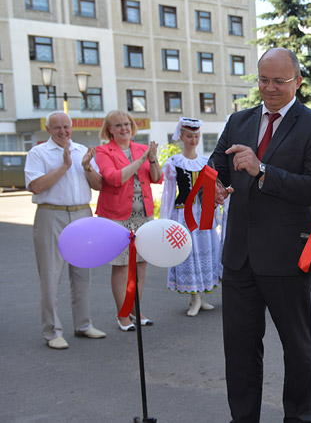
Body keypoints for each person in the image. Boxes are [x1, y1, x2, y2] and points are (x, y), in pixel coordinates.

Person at [209, 48, 311, 423]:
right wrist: (212, 186)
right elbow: (217, 169)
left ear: (298, 80)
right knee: (240, 350)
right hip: (239, 258)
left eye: (279, 81)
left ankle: (298, 419)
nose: (270, 88)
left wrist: (262, 170)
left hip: (287, 256)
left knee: (297, 350)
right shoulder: (238, 121)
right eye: (263, 80)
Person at [24, 112, 106, 349]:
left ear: (72, 127)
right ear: (48, 129)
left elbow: (99, 185)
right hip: (52, 214)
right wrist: (65, 166)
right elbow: (36, 186)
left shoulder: (82, 150)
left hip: (82, 213)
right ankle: (52, 331)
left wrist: (87, 167)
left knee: (82, 273)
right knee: (51, 275)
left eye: (66, 127)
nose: (63, 132)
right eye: (57, 127)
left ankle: (83, 324)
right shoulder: (38, 153)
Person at [95, 110, 163, 331]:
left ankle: (135, 309)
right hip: (117, 216)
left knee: (140, 265)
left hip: (142, 214)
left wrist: (152, 159)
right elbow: (114, 179)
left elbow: (156, 177)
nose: (124, 128)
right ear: (109, 130)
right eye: (118, 125)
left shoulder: (142, 149)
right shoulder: (103, 151)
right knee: (122, 266)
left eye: (126, 124)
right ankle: (122, 314)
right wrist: (142, 160)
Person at [161, 117, 224, 316]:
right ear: (181, 137)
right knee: (190, 253)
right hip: (183, 214)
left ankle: (198, 297)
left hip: (203, 214)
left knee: (204, 252)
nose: (193, 139)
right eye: (189, 136)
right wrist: (167, 220)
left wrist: (216, 216)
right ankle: (194, 297)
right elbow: (169, 194)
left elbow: (212, 192)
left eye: (196, 136)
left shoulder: (206, 162)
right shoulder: (173, 163)